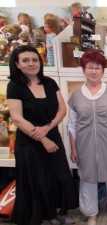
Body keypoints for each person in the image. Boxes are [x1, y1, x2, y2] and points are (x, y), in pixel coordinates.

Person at [6, 45, 78, 225]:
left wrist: (47, 128)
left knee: (60, 175)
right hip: (29, 141)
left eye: (34, 60)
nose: (31, 64)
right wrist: (43, 138)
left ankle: (59, 212)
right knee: (38, 180)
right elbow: (17, 118)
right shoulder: (14, 86)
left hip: (52, 135)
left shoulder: (49, 82)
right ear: (17, 64)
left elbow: (62, 109)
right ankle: (43, 216)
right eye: (25, 60)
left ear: (40, 62)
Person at [68, 50, 107, 225]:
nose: (93, 71)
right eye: (90, 67)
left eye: (97, 67)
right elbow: (72, 125)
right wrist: (73, 148)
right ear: (83, 69)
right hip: (85, 145)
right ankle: (91, 214)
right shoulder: (76, 95)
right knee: (87, 180)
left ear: (103, 70)